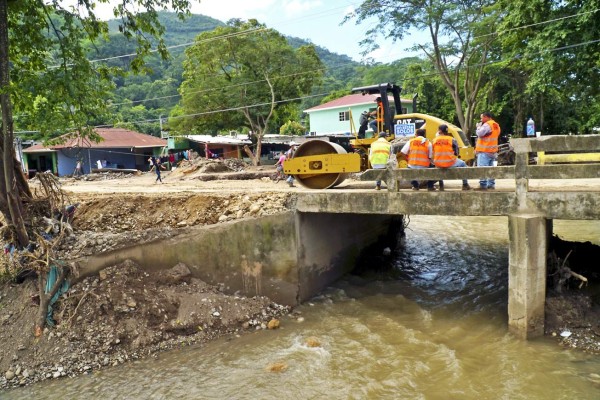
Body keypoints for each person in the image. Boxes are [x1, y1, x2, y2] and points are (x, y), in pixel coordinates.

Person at [431, 124, 471, 191]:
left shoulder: (434, 140)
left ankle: (441, 185)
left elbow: (432, 152)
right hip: (450, 162)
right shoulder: (451, 139)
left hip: (438, 163)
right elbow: (457, 152)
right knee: (463, 164)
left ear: (439, 131)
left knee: (438, 168)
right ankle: (465, 184)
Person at [474, 112, 501, 190]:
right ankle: (491, 185)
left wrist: (478, 127)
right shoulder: (496, 125)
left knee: (482, 168)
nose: (481, 120)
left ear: (486, 117)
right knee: (490, 169)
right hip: (492, 151)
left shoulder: (487, 124)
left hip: (484, 150)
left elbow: (479, 133)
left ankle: (482, 185)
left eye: (482, 118)